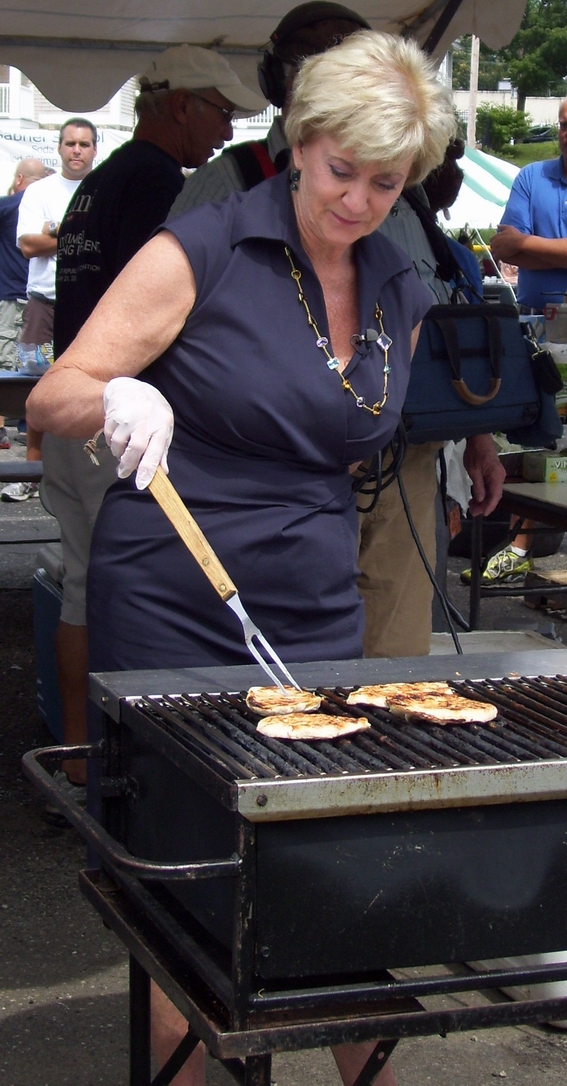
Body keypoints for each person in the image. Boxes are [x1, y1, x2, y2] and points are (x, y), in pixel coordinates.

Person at [27, 29, 456, 1086]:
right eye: (340, 170)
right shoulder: (204, 247)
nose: (356, 200)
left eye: (385, 181)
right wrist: (121, 396)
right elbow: (53, 395)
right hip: (173, 595)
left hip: (312, 603)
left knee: (326, 882)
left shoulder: (397, 280)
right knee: (185, 901)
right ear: (300, 143)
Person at [170, 1, 505, 659]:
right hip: (272, 466)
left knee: (398, 650)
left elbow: (434, 318)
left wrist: (476, 436)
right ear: (278, 80)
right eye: (310, 54)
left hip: (402, 455)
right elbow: (170, 337)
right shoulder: (226, 185)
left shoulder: (400, 190)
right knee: (278, 661)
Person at [42, 45, 264, 809]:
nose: (227, 129)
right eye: (219, 112)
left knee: (80, 586)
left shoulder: (97, 180)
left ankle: (79, 755)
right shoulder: (157, 181)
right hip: (124, 415)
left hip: (79, 409)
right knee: (144, 593)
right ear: (178, 105)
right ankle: (136, 772)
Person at [462, 92, 567, 587]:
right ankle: (523, 544)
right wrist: (565, 251)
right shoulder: (533, 176)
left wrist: (535, 249)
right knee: (536, 430)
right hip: (535, 324)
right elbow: (504, 243)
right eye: (564, 124)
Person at [3, 119, 97, 501]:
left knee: (90, 387)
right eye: (71, 143)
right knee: (37, 384)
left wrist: (56, 232)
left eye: (84, 144)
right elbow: (27, 245)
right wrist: (77, 234)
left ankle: (85, 473)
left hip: (91, 305)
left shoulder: (103, 188)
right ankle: (32, 472)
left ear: (95, 150)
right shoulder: (39, 190)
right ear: (59, 148)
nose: (77, 150)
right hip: (43, 306)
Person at [0, 157, 47, 449]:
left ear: (18, 179)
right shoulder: (47, 209)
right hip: (37, 298)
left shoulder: (9, 206)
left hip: (8, 297)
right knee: (33, 365)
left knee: (4, 363)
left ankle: (2, 430)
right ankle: (27, 426)